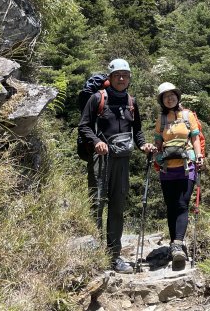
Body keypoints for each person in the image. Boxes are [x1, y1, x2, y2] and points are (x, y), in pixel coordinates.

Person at [79, 58, 155, 273]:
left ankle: (114, 257)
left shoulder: (131, 102)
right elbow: (84, 126)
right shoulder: (97, 98)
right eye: (117, 75)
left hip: (122, 160)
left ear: (129, 78)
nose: (122, 78)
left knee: (117, 207)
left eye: (125, 75)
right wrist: (96, 142)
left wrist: (143, 145)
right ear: (110, 78)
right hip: (101, 159)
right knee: (97, 204)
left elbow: (137, 130)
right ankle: (93, 254)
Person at [154, 82, 203, 269]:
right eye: (166, 96)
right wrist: (155, 155)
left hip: (186, 166)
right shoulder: (161, 119)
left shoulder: (188, 115)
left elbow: (195, 138)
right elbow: (158, 142)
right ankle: (176, 246)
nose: (170, 98)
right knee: (171, 206)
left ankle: (177, 243)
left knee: (182, 204)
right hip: (167, 168)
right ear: (162, 100)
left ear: (177, 96)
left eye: (172, 95)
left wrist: (199, 155)